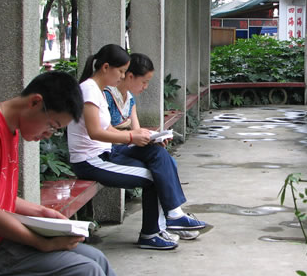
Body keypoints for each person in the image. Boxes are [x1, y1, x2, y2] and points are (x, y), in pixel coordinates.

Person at [0, 71, 116, 276]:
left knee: (96, 258)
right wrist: (42, 243)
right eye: (52, 125)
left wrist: (42, 213)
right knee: (86, 270)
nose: (48, 135)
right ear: (35, 102)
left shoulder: (9, 129)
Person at [67, 44, 206, 251]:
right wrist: (132, 136)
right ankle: (152, 232)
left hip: (107, 153)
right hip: (91, 161)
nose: (121, 77)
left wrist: (146, 137)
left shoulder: (97, 90)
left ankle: (172, 216)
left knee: (157, 153)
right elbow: (95, 132)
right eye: (121, 72)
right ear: (106, 68)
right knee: (153, 177)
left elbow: (108, 130)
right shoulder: (89, 90)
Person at [103, 52, 199, 240]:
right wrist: (132, 137)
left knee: (160, 156)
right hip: (112, 148)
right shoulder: (106, 96)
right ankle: (172, 217)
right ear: (129, 76)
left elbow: (137, 130)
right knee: (160, 166)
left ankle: (170, 219)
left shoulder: (129, 99)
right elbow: (107, 133)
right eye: (144, 82)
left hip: (125, 145)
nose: (146, 87)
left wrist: (152, 138)